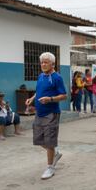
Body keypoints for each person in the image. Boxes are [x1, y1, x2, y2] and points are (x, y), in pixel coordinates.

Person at [25, 52, 67, 180]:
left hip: (51, 113)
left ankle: (50, 167)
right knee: (38, 139)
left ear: (52, 64)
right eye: (42, 62)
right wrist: (32, 99)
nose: (43, 64)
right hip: (39, 112)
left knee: (49, 142)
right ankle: (56, 152)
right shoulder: (41, 76)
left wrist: (50, 99)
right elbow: (39, 91)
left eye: (46, 62)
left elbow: (64, 96)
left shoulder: (57, 77)